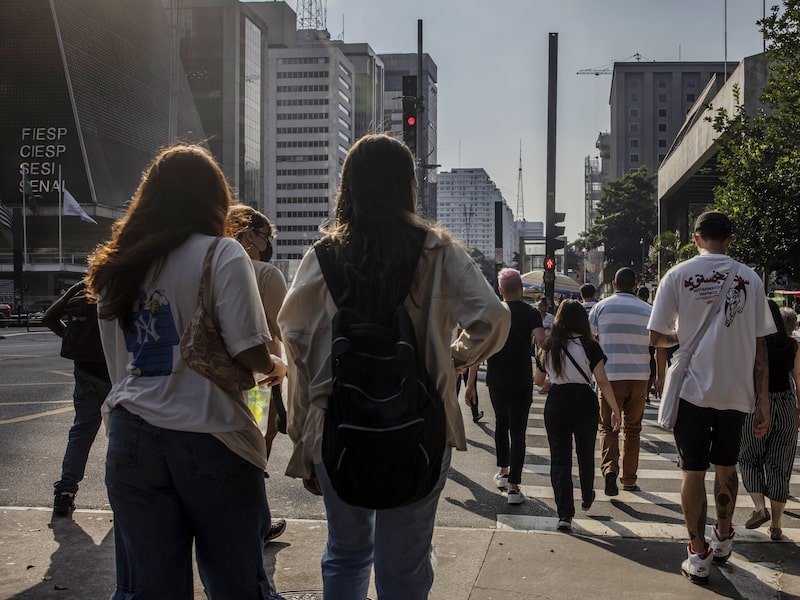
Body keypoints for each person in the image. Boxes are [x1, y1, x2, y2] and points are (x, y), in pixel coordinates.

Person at [277, 134, 510, 600]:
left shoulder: (322, 257)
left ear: (349, 187)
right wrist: (453, 358)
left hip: (336, 427)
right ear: (409, 186)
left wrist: (304, 440)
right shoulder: (437, 251)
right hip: (419, 426)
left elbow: (295, 346)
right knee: (404, 564)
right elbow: (494, 318)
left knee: (345, 553)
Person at [86, 144, 287, 599]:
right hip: (211, 433)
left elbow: (119, 362)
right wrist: (276, 364)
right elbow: (249, 350)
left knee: (147, 589)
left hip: (132, 436)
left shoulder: (120, 264)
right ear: (214, 199)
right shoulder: (223, 254)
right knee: (237, 583)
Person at [648, 210, 774, 585]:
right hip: (737, 391)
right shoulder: (750, 278)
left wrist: (680, 339)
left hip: (692, 392)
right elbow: (760, 345)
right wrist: (763, 399)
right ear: (730, 241)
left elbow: (656, 336)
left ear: (697, 238)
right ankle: (722, 537)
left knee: (692, 470)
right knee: (726, 468)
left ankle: (697, 552)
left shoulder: (677, 275)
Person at [226, 204, 289, 544]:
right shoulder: (264, 273)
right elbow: (287, 329)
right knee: (253, 447)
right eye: (266, 237)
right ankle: (255, 523)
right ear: (249, 234)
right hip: (258, 379)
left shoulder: (204, 265)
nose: (268, 244)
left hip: (207, 379)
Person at [535, 300, 621, 532]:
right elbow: (602, 380)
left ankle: (564, 514)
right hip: (584, 400)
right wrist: (615, 409)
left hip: (558, 402)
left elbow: (539, 380)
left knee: (559, 459)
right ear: (581, 321)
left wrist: (554, 379)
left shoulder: (549, 345)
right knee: (584, 452)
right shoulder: (590, 346)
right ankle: (586, 494)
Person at [465, 268, 546, 504]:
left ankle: (502, 471)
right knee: (518, 431)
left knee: (501, 424)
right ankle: (514, 487)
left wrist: (470, 384)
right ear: (521, 289)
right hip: (521, 379)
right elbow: (541, 340)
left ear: (500, 290)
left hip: (496, 380)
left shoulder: (492, 313)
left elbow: (479, 350)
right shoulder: (531, 313)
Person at [42, 280, 111, 516]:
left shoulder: (83, 285)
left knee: (81, 431)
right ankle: (120, 498)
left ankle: (65, 492)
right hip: (114, 370)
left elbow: (49, 317)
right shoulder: (124, 281)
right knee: (122, 434)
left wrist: (72, 340)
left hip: (84, 370)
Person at [739, 301, 800, 541]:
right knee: (780, 465)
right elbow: (798, 378)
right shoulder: (792, 346)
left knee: (748, 457)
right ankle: (776, 525)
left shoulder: (749, 346)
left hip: (755, 405)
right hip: (785, 404)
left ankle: (759, 507)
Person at [589, 267, 652, 496]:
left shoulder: (601, 307)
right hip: (639, 378)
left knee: (607, 426)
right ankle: (629, 478)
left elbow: (592, 337)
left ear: (614, 284)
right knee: (633, 430)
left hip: (610, 377)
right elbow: (655, 342)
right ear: (635, 285)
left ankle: (609, 470)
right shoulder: (647, 309)